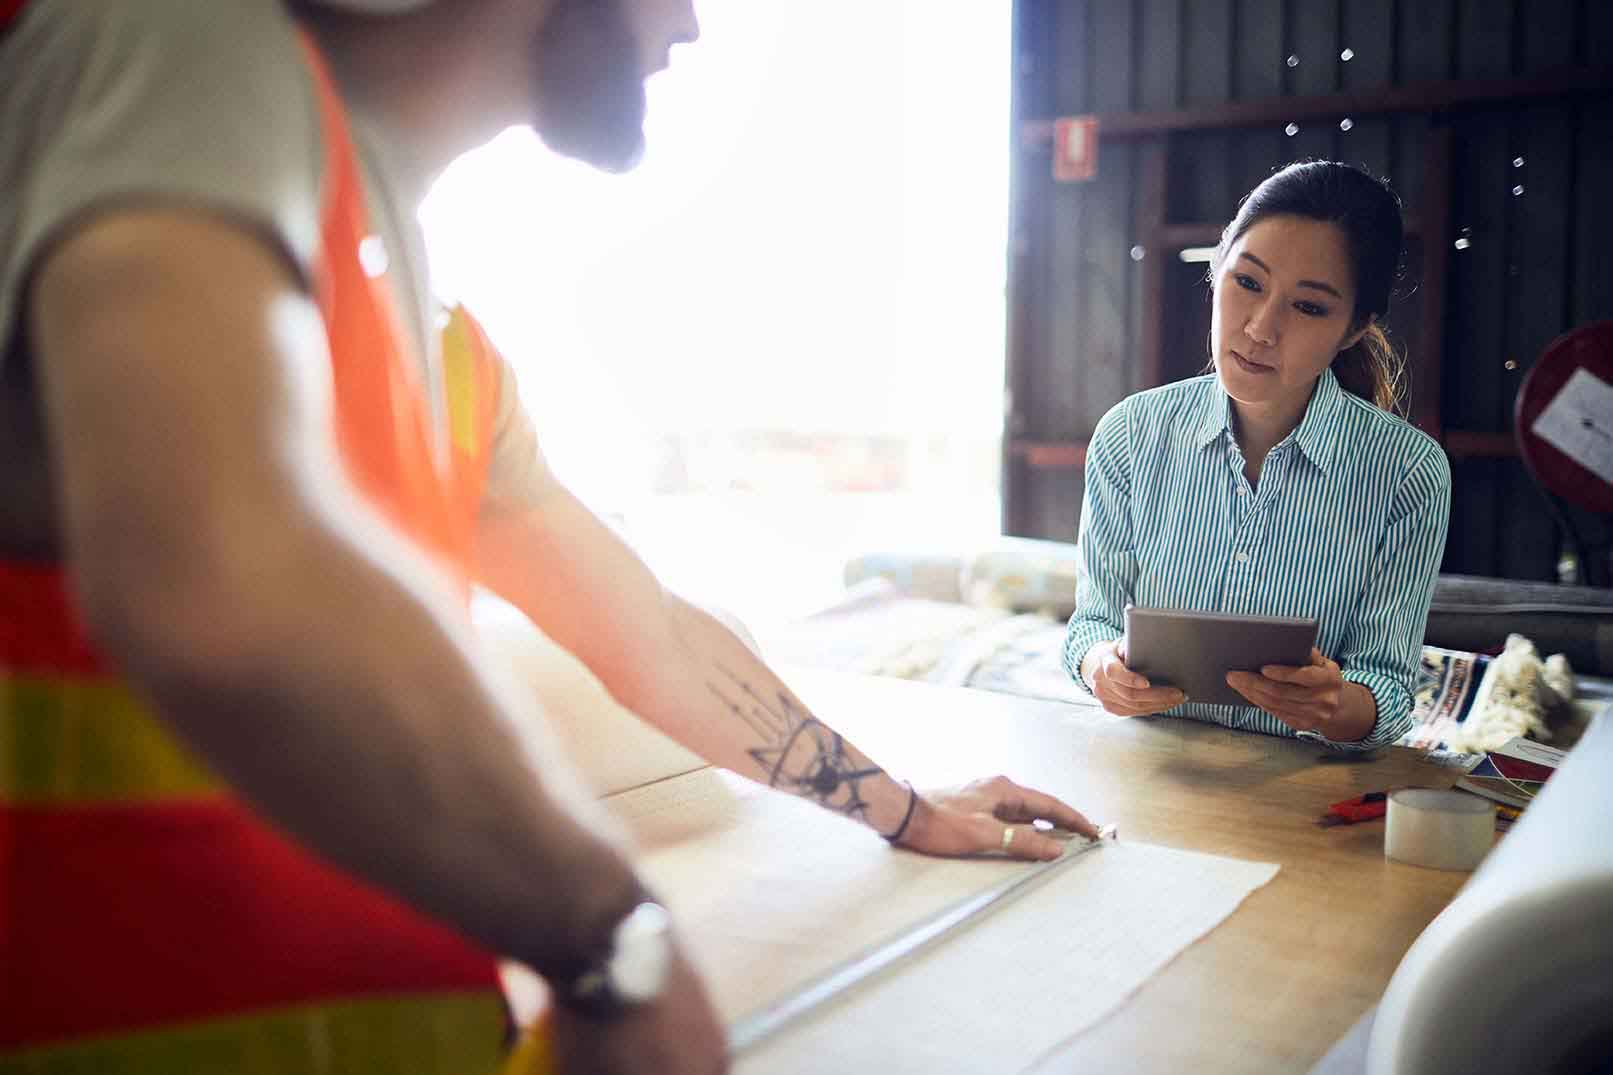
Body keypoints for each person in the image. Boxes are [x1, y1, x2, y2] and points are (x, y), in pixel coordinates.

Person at [0, 2, 1096, 1072]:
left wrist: (899, 804)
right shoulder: (171, 35)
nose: (694, 29)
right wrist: (613, 937)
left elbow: (652, 638)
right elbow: (222, 583)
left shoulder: (437, 333)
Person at [1063, 161, 1451, 751]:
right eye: (1248, 282)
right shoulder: (1130, 435)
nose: (1261, 329)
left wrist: (1334, 702)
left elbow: (1391, 691)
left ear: (1355, 328)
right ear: (1217, 269)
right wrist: (1101, 669)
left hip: (1300, 794)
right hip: (1151, 770)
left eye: (1309, 307)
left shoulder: (1407, 473)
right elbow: (1091, 625)